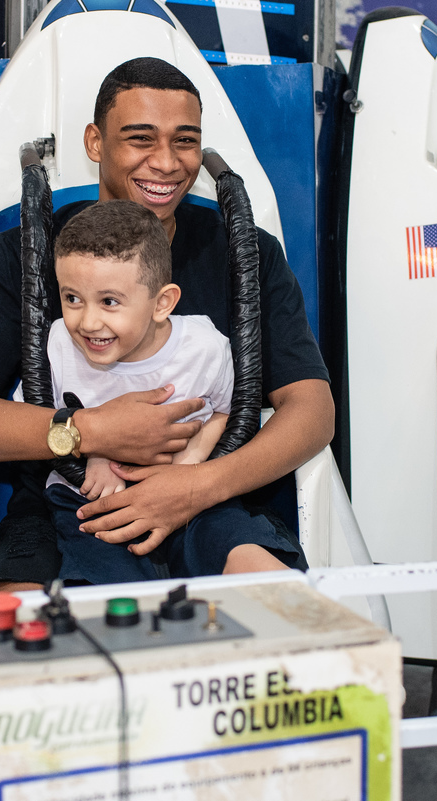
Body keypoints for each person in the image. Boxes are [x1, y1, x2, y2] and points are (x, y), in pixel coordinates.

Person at [0, 57, 333, 590]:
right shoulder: (26, 254)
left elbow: (313, 411)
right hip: (67, 505)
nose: (165, 162)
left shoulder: (246, 253)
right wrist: (90, 432)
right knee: (25, 630)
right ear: (95, 143)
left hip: (214, 499)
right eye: (140, 138)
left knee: (271, 595)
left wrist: (196, 486)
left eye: (185, 141)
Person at [37, 201, 306, 583]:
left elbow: (226, 410)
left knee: (239, 547)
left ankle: (284, 612)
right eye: (72, 298)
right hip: (88, 502)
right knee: (99, 582)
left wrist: (191, 466)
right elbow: (44, 420)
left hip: (196, 497)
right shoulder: (59, 344)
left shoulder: (203, 347)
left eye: (109, 301)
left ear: (162, 303)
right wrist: (92, 451)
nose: (88, 321)